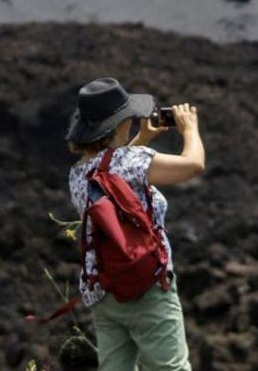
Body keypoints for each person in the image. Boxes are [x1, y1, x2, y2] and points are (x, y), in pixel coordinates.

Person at [65, 77, 206, 371]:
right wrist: (189, 128)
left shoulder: (78, 174)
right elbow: (193, 165)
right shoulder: (135, 161)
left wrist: (143, 139)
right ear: (119, 124)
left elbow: (112, 168)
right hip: (147, 287)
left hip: (104, 291)